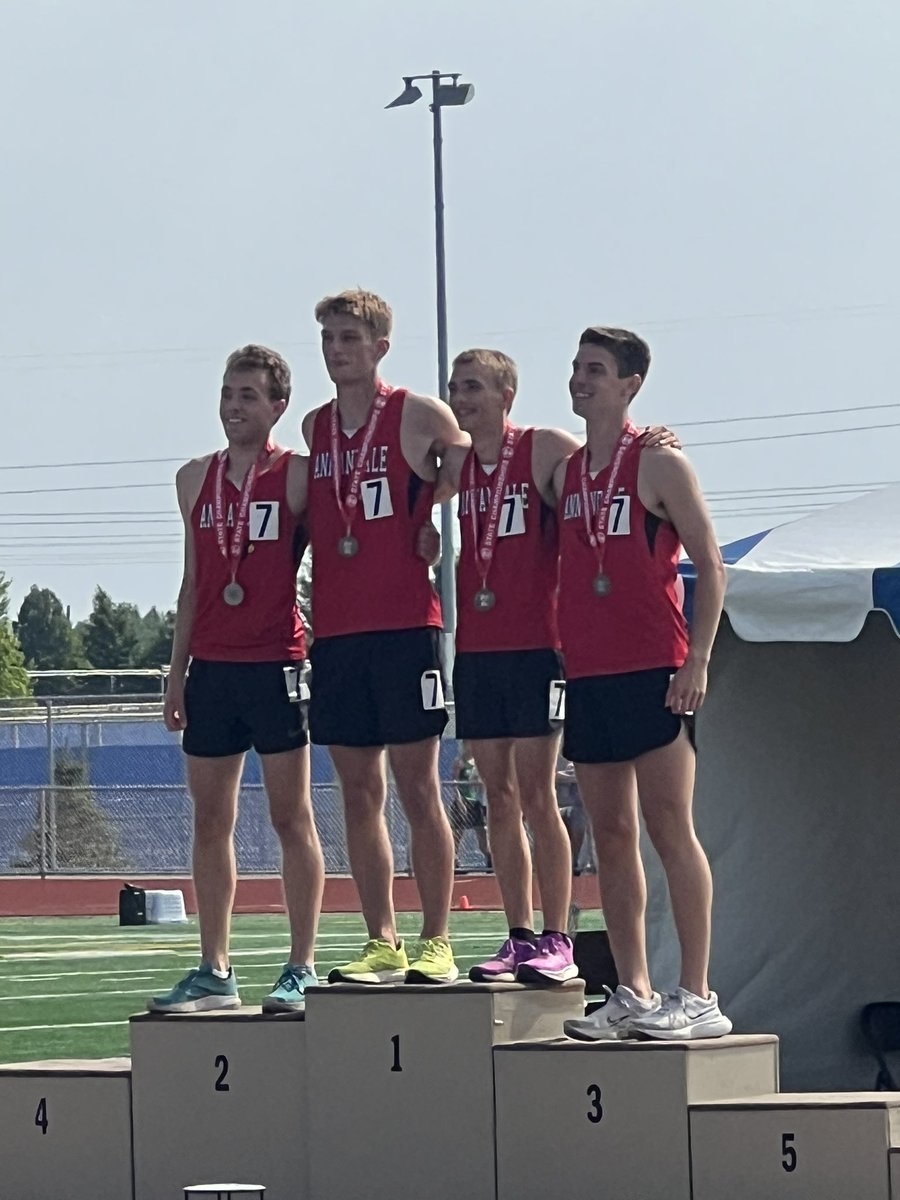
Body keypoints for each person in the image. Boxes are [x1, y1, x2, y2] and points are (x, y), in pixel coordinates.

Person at [556, 326, 730, 1041]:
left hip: (657, 669)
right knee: (611, 832)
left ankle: (698, 994)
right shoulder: (568, 473)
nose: (579, 379)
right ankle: (632, 988)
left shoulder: (659, 463)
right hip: (591, 674)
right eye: (575, 368)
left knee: (668, 827)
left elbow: (711, 567)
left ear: (630, 385)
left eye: (594, 369)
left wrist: (698, 661)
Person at [302, 289, 469, 985]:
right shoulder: (315, 428)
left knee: (418, 785)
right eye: (329, 337)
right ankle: (381, 939)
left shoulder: (415, 413)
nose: (337, 348)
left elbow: (472, 452)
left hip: (405, 626)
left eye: (349, 337)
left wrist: (433, 507)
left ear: (379, 347)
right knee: (357, 793)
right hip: (338, 633)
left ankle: (437, 938)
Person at [151, 345, 325, 1014]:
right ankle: (214, 968)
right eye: (228, 392)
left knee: (291, 817)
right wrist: (176, 674)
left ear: (278, 405)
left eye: (250, 395)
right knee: (210, 820)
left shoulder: (299, 475)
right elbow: (194, 583)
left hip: (277, 662)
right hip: (213, 670)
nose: (234, 405)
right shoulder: (194, 478)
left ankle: (301, 964)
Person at [438, 348, 581, 984]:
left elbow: (608, 466)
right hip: (477, 648)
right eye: (455, 388)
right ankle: (518, 933)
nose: (461, 398)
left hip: (535, 646)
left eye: (473, 387)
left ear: (507, 394)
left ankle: (559, 935)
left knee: (536, 791)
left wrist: (649, 437)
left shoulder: (544, 448)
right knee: (497, 794)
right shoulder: (460, 462)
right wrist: (418, 533)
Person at [449, 740, 491, 871]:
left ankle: (490, 859)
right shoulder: (459, 762)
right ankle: (453, 861)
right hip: (462, 800)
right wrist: (458, 800)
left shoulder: (478, 763)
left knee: (482, 832)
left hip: (476, 802)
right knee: (457, 834)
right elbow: (455, 782)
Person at [556, 754, 590, 875]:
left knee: (579, 816)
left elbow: (578, 777)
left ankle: (574, 863)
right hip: (551, 806)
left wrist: (558, 776)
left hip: (575, 807)